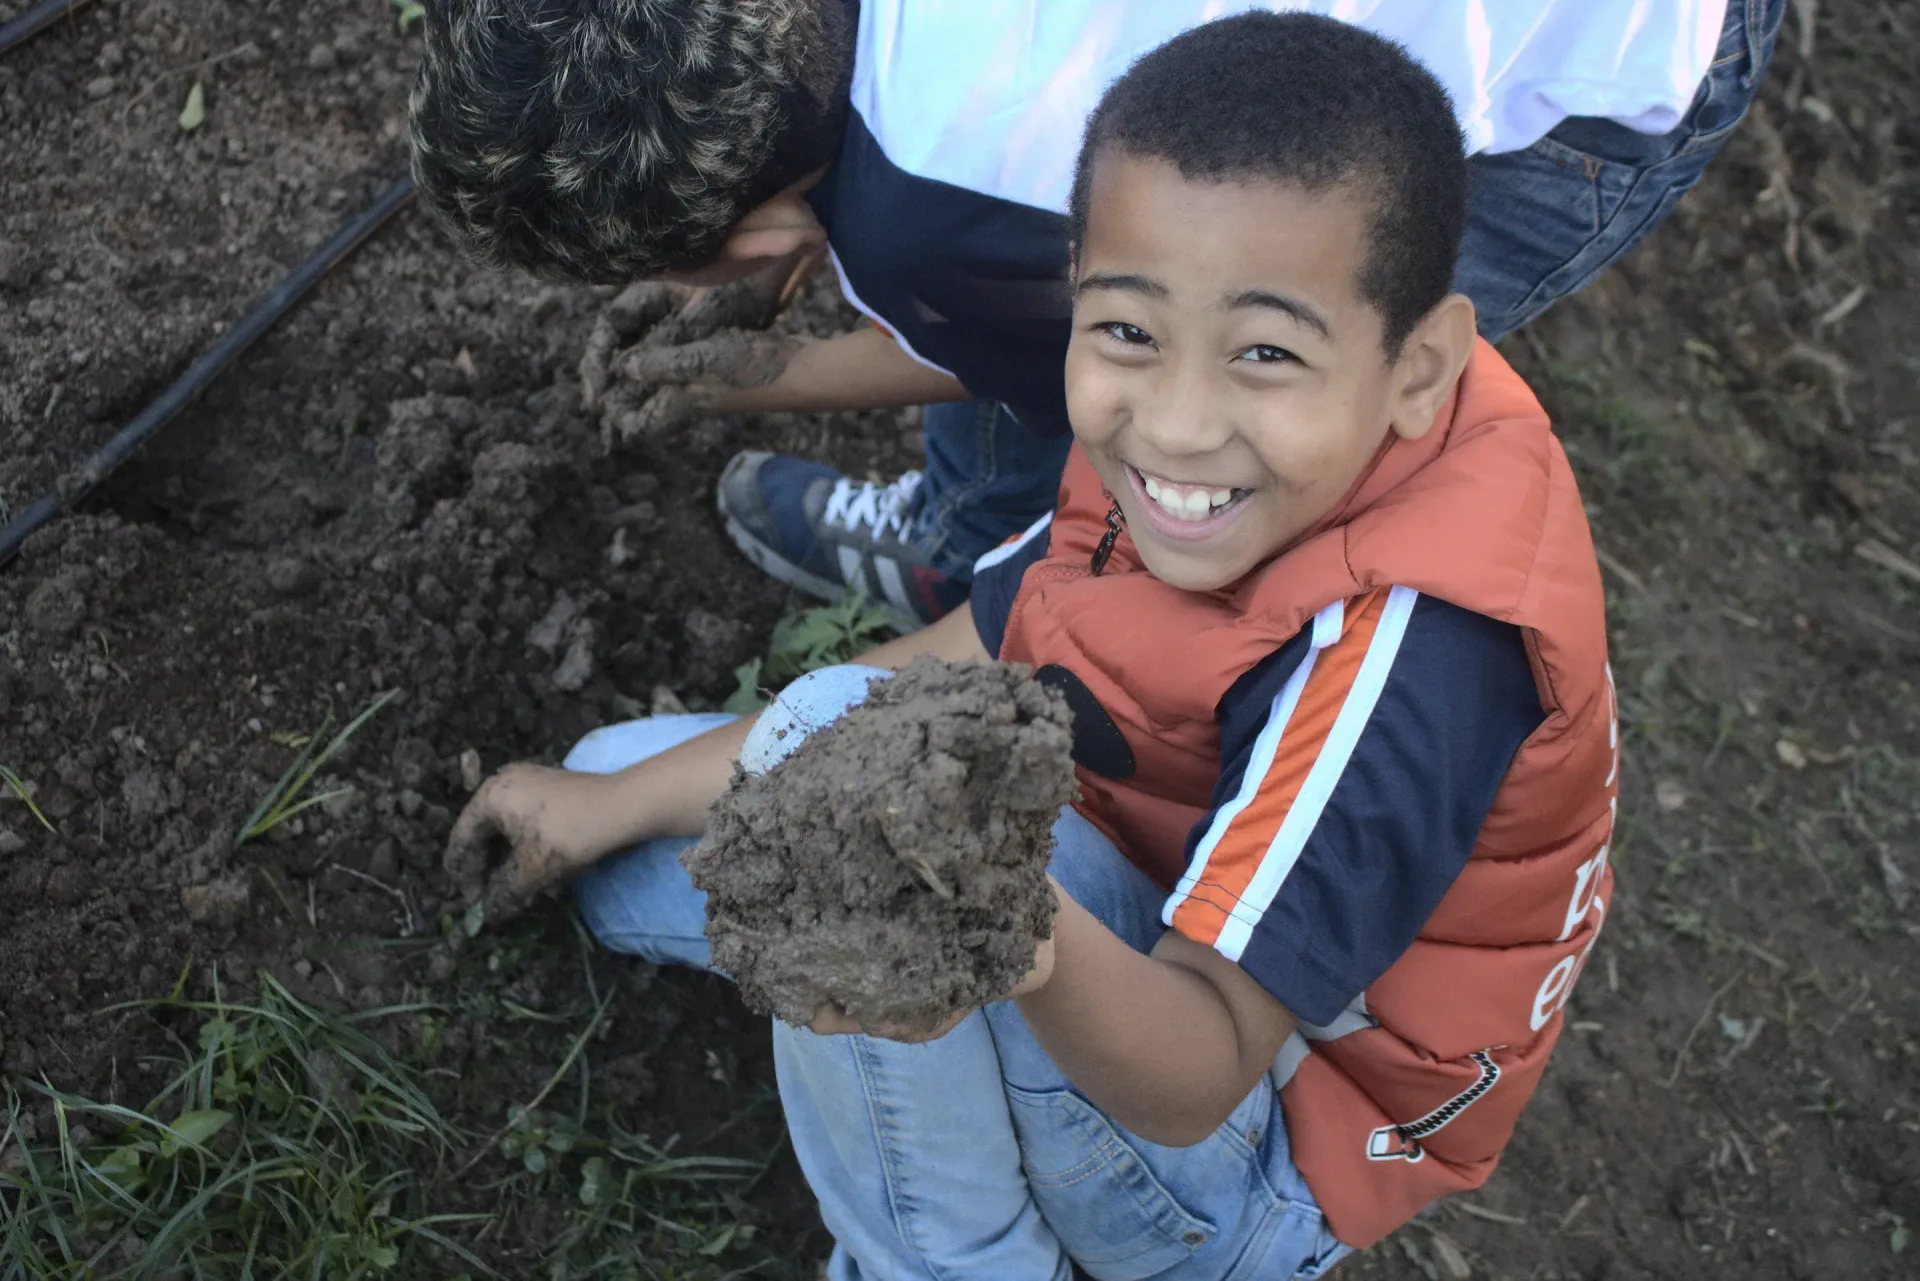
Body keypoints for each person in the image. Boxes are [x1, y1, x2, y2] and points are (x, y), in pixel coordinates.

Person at [444, 13, 1620, 1278]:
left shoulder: (1411, 652)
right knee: (629, 846)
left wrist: (984, 913)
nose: (1173, 422)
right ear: (1081, 290)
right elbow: (976, 644)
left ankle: (948, 1261)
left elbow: (1196, 1071)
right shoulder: (1181, 460)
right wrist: (607, 803)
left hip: (1267, 1137)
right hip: (1129, 871)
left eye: (1266, 354)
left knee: (848, 827)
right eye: (1125, 331)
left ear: (1419, 368)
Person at [410, 0, 1782, 628]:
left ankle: (999, 579)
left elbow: (1015, 354)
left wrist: (736, 376)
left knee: (1170, 401)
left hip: (1601, 98)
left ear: (758, 231)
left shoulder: (928, 213)